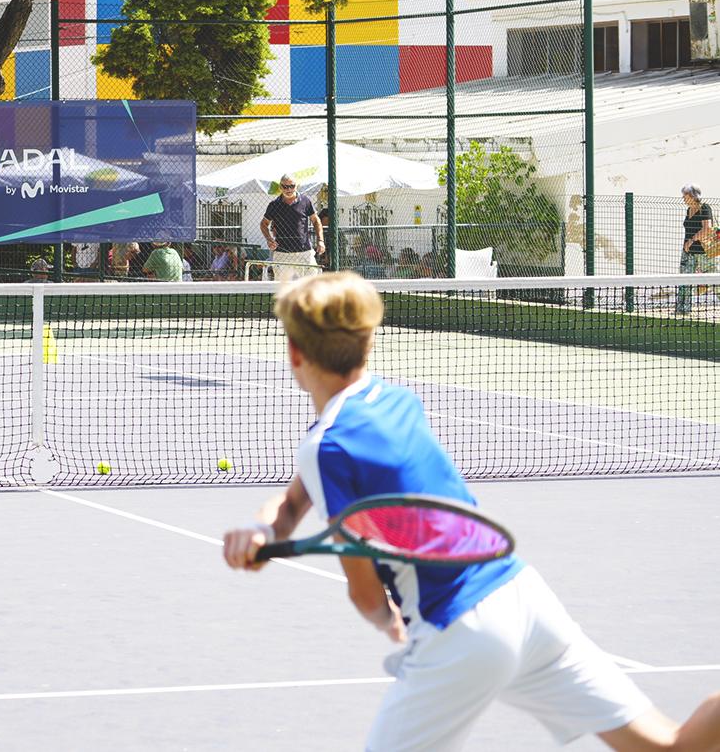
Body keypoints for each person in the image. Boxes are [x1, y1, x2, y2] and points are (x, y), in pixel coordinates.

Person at [222, 272, 720, 751]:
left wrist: (388, 622)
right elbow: (291, 504)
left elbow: (364, 589)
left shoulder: (328, 448)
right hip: (524, 599)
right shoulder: (395, 400)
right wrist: (263, 529)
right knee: (668, 746)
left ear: (293, 352)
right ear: (368, 341)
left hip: (462, 628)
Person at [260, 174, 325, 282]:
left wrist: (321, 241)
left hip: (305, 252)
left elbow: (316, 221)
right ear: (280, 187)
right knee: (282, 289)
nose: (289, 189)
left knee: (311, 286)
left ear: (297, 186)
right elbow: (263, 224)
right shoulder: (274, 205)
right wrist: (269, 239)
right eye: (285, 186)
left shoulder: (305, 201)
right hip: (282, 253)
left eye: (292, 186)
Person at [677, 185, 714, 315]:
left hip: (704, 253)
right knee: (684, 281)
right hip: (688, 252)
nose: (683, 198)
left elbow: (707, 229)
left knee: (715, 282)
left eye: (685, 195)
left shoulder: (705, 208)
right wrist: (687, 245)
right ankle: (682, 310)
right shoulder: (688, 210)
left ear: (693, 196)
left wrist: (692, 240)